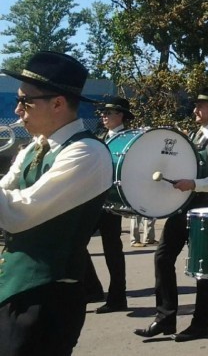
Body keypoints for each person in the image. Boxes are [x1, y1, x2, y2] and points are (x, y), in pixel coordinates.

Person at [0, 51, 112, 354]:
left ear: (58, 103)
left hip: (48, 297)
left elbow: (16, 213)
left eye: (25, 101)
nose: (17, 109)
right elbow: (6, 191)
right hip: (14, 286)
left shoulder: (87, 153)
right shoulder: (34, 147)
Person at [134, 88, 208, 341]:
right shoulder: (194, 135)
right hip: (185, 206)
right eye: (196, 106)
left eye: (201, 106)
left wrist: (193, 184)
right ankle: (165, 317)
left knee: (203, 269)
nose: (195, 110)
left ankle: (201, 323)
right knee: (163, 256)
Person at [84, 96, 133, 314]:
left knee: (112, 250)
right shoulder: (100, 136)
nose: (104, 116)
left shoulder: (130, 139)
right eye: (103, 113)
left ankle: (117, 297)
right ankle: (93, 288)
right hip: (94, 199)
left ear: (121, 115)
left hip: (112, 200)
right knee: (76, 243)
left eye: (109, 112)